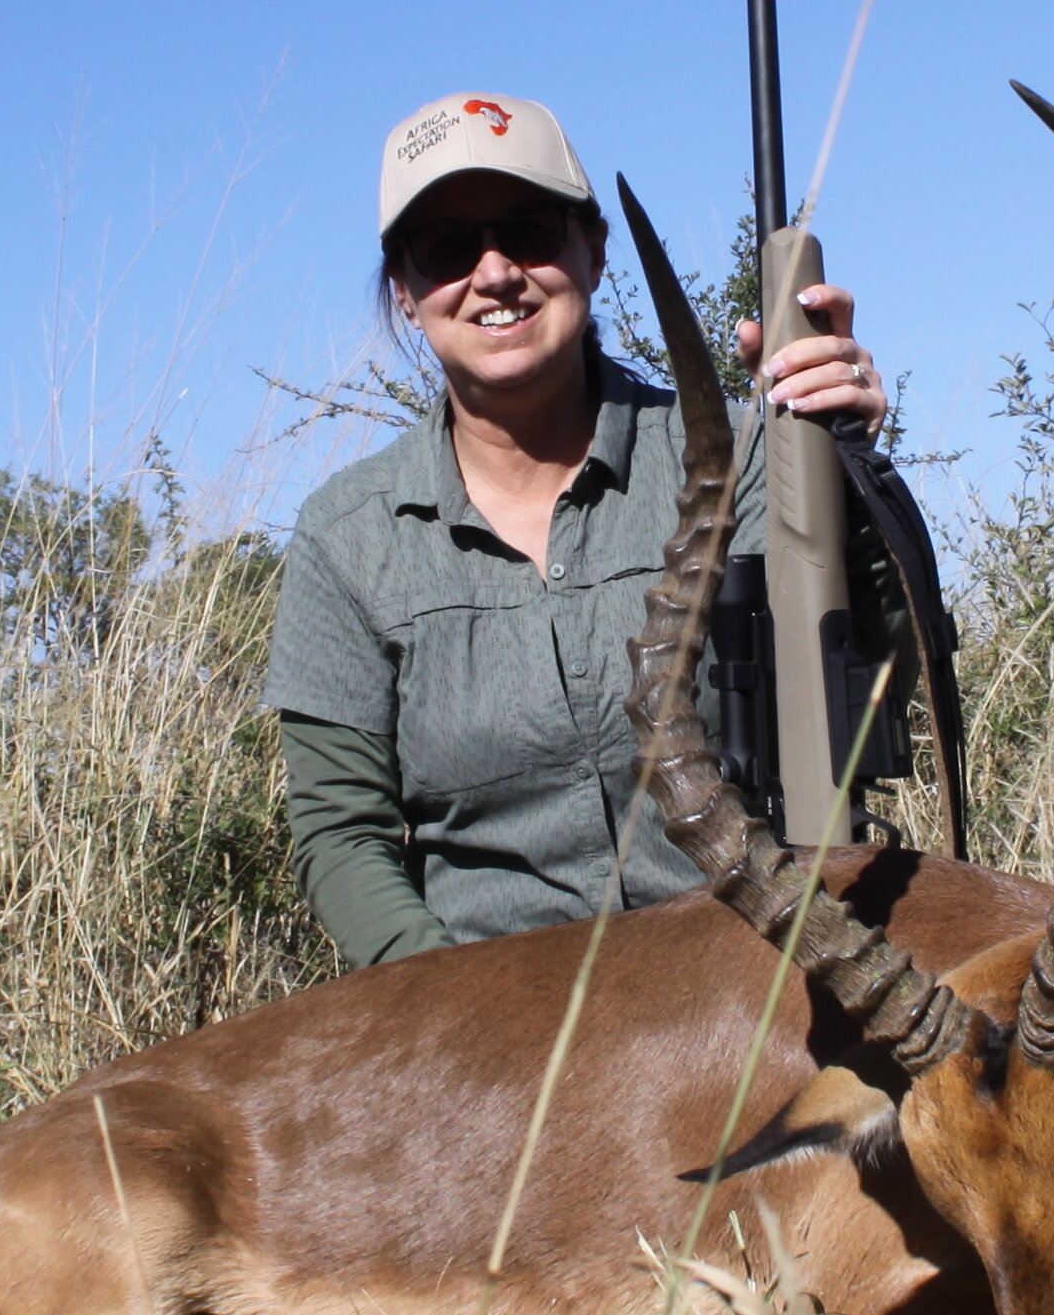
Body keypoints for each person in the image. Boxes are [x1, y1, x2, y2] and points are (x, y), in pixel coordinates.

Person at [263, 90, 889, 972]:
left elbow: (876, 669)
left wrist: (847, 461)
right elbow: (342, 835)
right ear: (407, 293)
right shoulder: (346, 536)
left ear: (593, 251)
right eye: (447, 250)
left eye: (528, 231)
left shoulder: (743, 457)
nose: (493, 274)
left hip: (750, 987)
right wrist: (456, 1013)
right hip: (488, 1016)